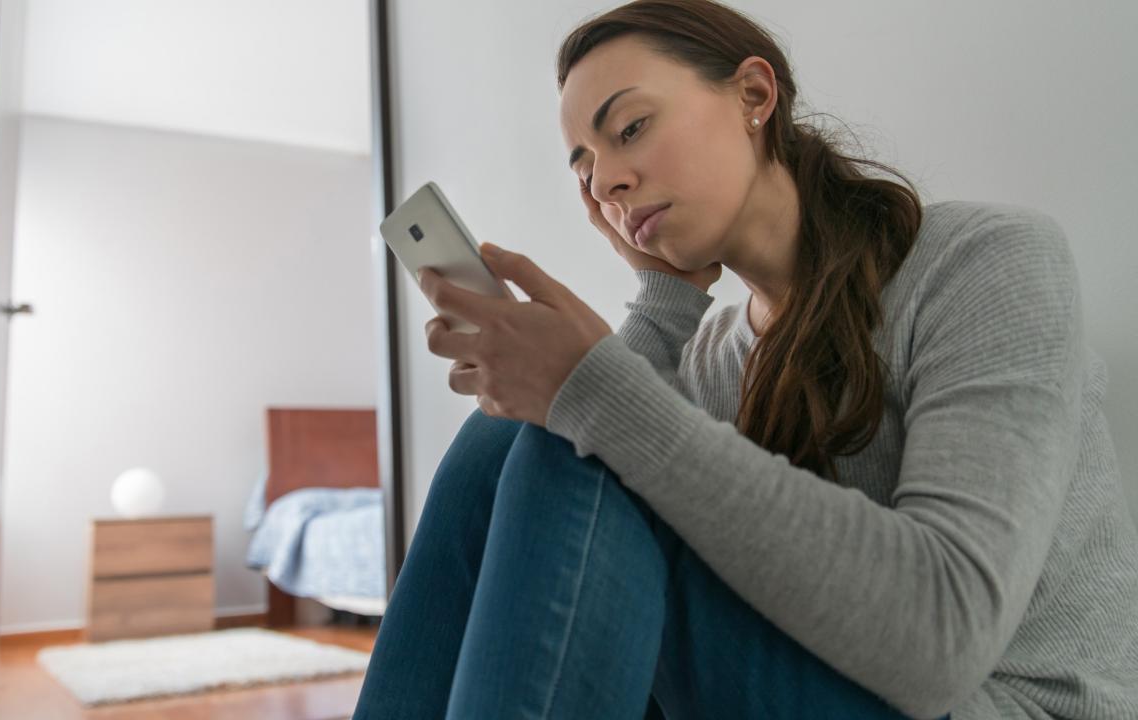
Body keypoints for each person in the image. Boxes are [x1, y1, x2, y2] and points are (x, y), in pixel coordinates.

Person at [353, 1, 1138, 718]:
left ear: (754, 97)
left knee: (581, 420)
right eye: (586, 168)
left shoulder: (987, 262)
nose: (611, 181)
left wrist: (589, 386)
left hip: (999, 705)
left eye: (629, 129)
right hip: (817, 684)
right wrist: (661, 302)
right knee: (515, 435)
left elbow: (941, 640)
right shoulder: (709, 355)